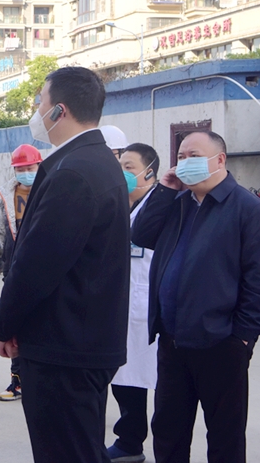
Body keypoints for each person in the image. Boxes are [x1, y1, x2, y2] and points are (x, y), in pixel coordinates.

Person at [0, 66, 130, 463]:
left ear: (59, 111)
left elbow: (38, 264)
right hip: (81, 342)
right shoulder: (94, 161)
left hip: (64, 349)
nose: (37, 112)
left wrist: (2, 323)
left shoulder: (75, 172)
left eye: (40, 103)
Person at [131, 131, 260, 463]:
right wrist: (164, 190)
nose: (185, 162)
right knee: (168, 433)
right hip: (172, 341)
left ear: (220, 160)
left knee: (224, 437)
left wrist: (242, 338)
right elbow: (141, 234)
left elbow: (256, 279)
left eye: (194, 156)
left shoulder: (247, 208)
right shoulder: (178, 202)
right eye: (181, 156)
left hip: (221, 344)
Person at [106, 142, 160, 463]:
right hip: (122, 307)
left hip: (151, 306)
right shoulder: (118, 205)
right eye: (120, 166)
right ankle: (129, 442)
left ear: (149, 173)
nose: (122, 173)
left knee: (161, 383)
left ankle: (164, 446)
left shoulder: (162, 205)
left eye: (129, 167)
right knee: (125, 379)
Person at [0, 143, 42, 401]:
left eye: (30, 168)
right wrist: (6, 266)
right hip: (14, 267)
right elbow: (2, 232)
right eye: (21, 169)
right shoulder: (7, 195)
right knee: (14, 325)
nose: (26, 173)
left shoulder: (49, 191)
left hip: (41, 266)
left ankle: (39, 380)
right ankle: (18, 381)